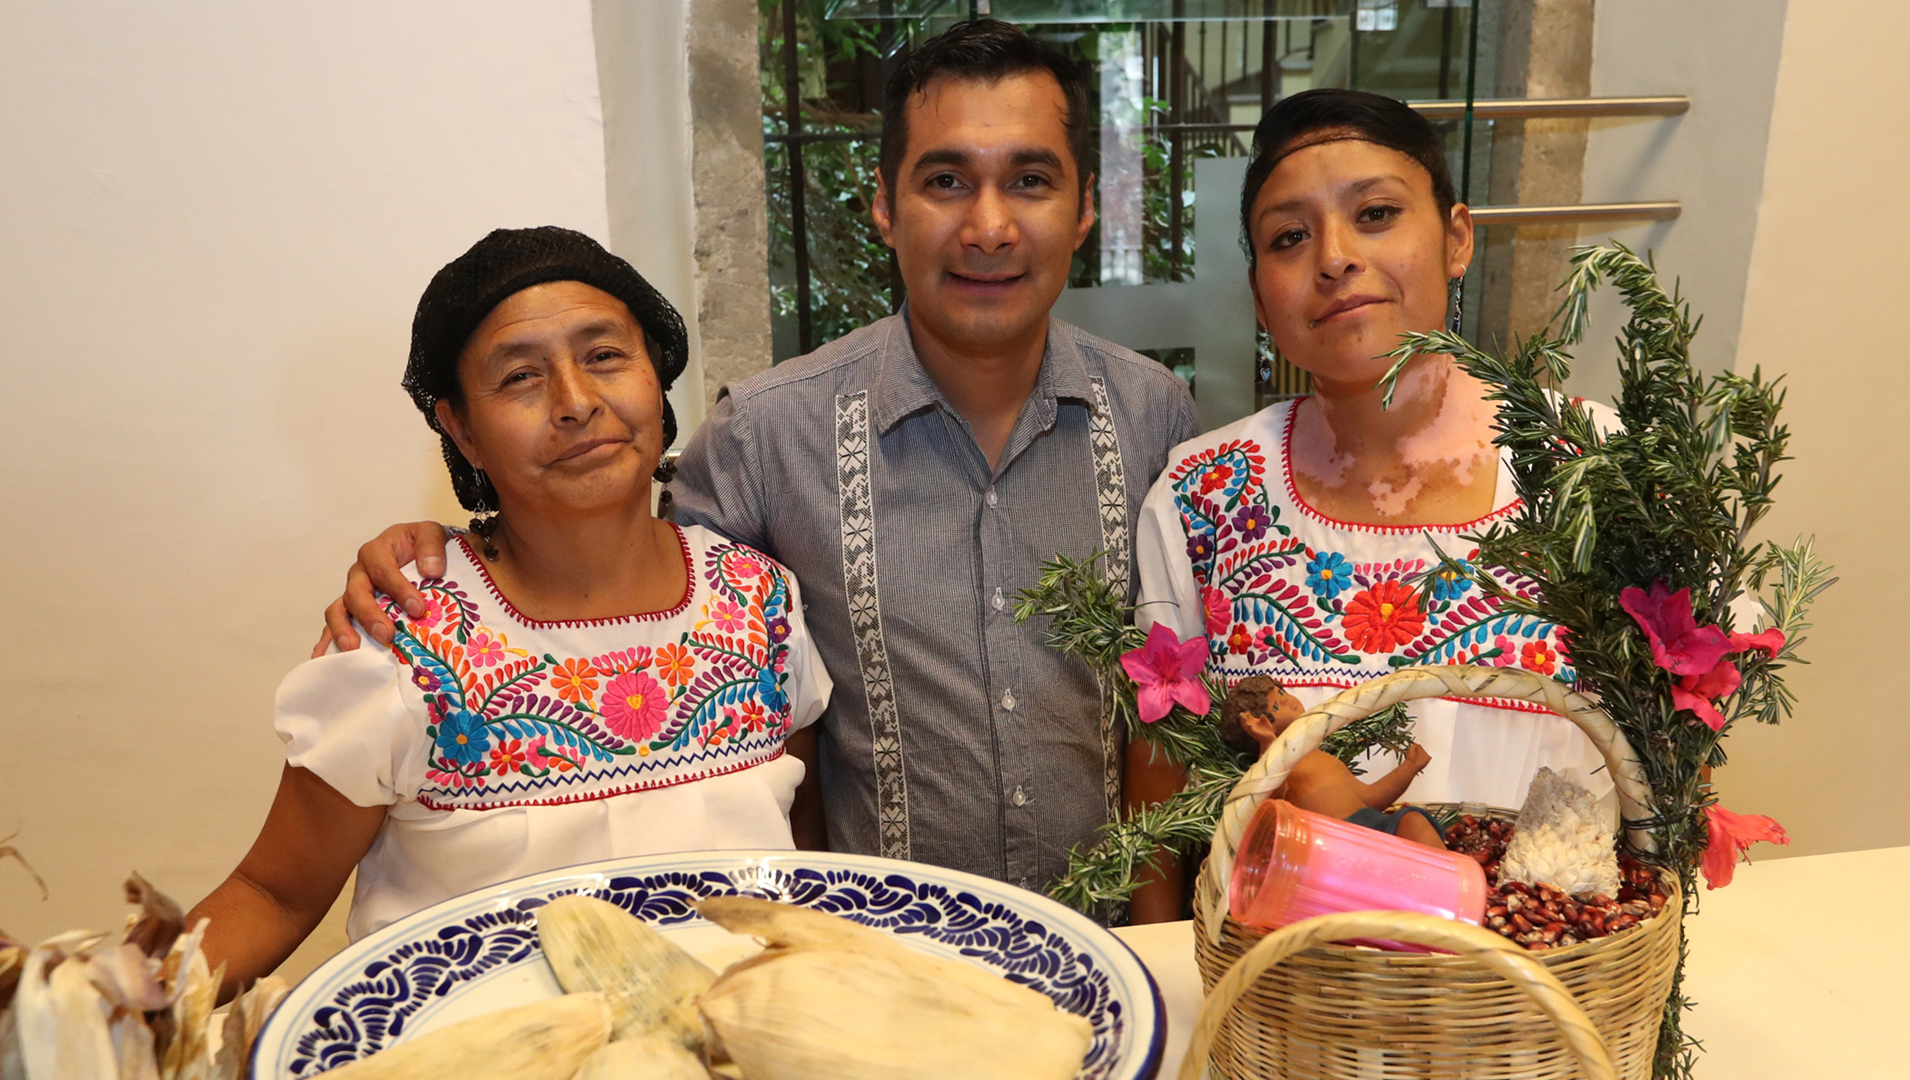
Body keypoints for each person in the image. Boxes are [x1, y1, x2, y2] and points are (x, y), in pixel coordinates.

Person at [315, 22, 1201, 903]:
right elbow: (614, 577)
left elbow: (1182, 704)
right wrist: (445, 558)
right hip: (875, 974)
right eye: (945, 181)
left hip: (1112, 953)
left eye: (1031, 180)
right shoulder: (765, 437)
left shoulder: (1154, 415)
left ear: (1086, 206)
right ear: (885, 207)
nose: (990, 225)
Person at [189, 228, 830, 992]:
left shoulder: (759, 602)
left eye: (604, 356)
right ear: (461, 428)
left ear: (655, 378)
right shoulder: (405, 637)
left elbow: (801, 844)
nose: (576, 402)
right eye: (522, 377)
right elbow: (272, 893)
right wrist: (107, 998)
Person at [1134, 89, 1615, 899]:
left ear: (1457, 238)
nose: (1335, 256)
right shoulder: (1203, 497)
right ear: (1260, 296)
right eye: (1290, 237)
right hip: (1286, 1000)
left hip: (1551, 996)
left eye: (1377, 213)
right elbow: (1158, 789)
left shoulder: (1593, 471)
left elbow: (1677, 767)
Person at [1221, 675, 1442, 849]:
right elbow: (1273, 800)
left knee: (1413, 821)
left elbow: (1369, 799)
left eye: (1281, 692)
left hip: (1372, 827)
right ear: (1258, 729)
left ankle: (1457, 887)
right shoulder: (1273, 766)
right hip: (1334, 844)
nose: (1287, 699)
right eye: (1276, 707)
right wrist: (1268, 745)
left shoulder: (1322, 758)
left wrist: (1409, 767)